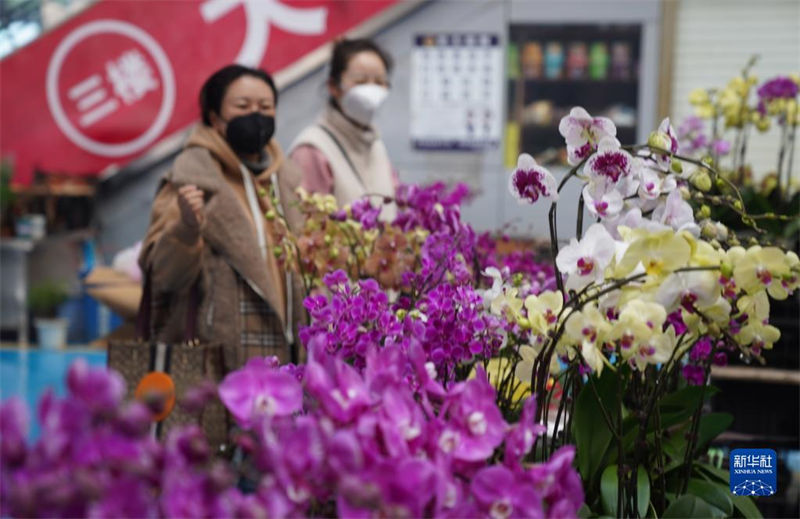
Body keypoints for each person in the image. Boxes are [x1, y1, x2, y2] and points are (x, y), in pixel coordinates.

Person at [139, 64, 304, 370]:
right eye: (242, 106)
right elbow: (164, 277)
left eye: (265, 107)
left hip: (291, 361)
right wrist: (186, 229)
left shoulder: (287, 182)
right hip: (218, 362)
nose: (256, 115)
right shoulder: (189, 179)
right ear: (214, 118)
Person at [290, 38, 398, 220]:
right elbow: (307, 228)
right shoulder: (312, 149)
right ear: (334, 86)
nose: (371, 89)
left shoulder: (375, 143)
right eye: (361, 81)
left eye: (379, 81)